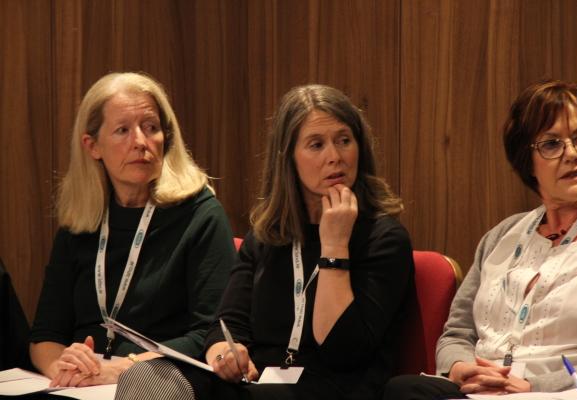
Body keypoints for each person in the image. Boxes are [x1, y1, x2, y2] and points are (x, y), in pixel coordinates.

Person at [114, 84, 415, 400]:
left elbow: (343, 350)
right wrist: (226, 353)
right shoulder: (267, 236)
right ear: (289, 158)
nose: (335, 157)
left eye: (344, 141)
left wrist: (334, 246)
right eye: (316, 145)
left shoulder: (383, 238)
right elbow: (226, 325)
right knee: (148, 375)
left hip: (334, 388)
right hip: (259, 381)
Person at [383, 79, 577, 399]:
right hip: (480, 392)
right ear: (527, 161)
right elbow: (457, 333)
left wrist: (534, 387)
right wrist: (460, 367)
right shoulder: (502, 236)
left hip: (562, 395)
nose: (572, 154)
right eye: (552, 144)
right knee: (403, 389)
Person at [29, 72, 235, 388]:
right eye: (123, 130)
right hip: (86, 386)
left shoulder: (200, 215)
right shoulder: (81, 223)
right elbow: (45, 336)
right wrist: (65, 367)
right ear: (92, 146)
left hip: (163, 381)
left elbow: (211, 333)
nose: (140, 141)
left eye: (151, 127)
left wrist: (126, 368)